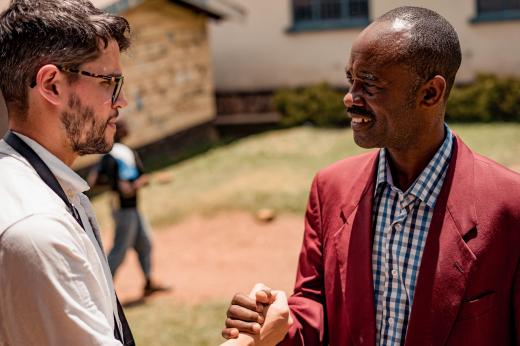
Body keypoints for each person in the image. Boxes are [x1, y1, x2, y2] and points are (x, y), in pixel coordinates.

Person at [222, 6, 520, 346]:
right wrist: (279, 325)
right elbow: (317, 308)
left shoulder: (510, 207)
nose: (350, 98)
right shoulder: (330, 188)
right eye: (352, 80)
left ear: (430, 93)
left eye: (371, 84)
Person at [0, 0, 135, 344]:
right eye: (109, 83)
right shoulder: (35, 227)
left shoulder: (44, 185)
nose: (122, 102)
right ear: (52, 85)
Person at [88, 119, 170, 297]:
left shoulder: (116, 154)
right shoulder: (117, 155)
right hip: (124, 209)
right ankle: (102, 292)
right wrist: (139, 183)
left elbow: (94, 180)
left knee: (145, 243)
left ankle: (149, 283)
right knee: (120, 249)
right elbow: (126, 188)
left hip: (131, 208)